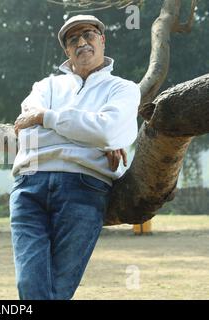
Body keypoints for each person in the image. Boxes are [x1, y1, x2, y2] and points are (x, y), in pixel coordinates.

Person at [10, 15, 140, 300]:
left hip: (83, 188)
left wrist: (46, 117)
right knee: (31, 287)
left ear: (102, 40)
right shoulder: (45, 87)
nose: (82, 42)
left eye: (89, 35)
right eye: (73, 40)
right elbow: (26, 130)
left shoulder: (123, 89)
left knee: (57, 288)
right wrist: (94, 135)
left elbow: (106, 131)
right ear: (67, 51)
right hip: (28, 186)